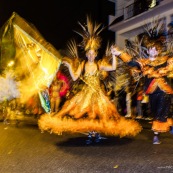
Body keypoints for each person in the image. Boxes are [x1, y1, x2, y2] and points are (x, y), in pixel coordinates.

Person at [38, 17, 142, 143]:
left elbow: (113, 67)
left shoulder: (99, 64)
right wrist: (70, 66)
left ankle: (96, 133)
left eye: (93, 54)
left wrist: (115, 55)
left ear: (96, 54)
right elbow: (75, 77)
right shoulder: (83, 64)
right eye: (89, 54)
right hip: (86, 93)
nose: (91, 56)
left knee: (99, 113)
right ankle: (91, 134)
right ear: (87, 54)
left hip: (98, 93)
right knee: (86, 113)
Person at [111, 26, 173, 144]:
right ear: (148, 50)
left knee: (162, 109)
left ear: (159, 50)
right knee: (155, 112)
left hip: (164, 91)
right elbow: (131, 62)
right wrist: (119, 53)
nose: (153, 51)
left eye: (156, 49)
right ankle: (166, 127)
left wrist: (164, 69)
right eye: (151, 49)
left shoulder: (165, 60)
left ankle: (156, 135)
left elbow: (171, 66)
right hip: (152, 92)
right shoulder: (143, 63)